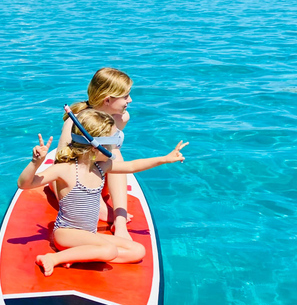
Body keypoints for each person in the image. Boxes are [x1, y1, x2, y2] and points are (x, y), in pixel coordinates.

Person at [19, 109, 187, 275]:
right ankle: (54, 258)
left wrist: (165, 158)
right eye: (112, 143)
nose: (114, 148)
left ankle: (81, 256)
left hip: (88, 236)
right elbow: (24, 184)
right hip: (67, 235)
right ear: (95, 147)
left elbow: (132, 166)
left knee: (138, 250)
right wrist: (35, 163)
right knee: (109, 250)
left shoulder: (100, 167)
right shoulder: (64, 170)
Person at [56, 68, 134, 240]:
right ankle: (99, 208)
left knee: (115, 153)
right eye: (125, 96)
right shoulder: (75, 121)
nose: (130, 100)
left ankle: (120, 223)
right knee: (113, 154)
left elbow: (108, 155)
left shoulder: (121, 117)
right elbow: (60, 163)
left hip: (100, 175)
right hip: (75, 180)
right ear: (108, 99)